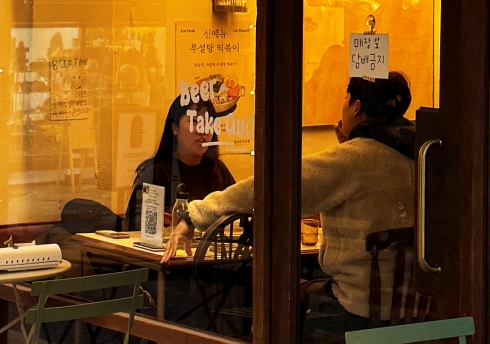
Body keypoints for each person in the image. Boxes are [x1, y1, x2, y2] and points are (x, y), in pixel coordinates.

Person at [172, 72, 416, 325]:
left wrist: (195, 214)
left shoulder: (353, 160)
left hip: (358, 307)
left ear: (356, 106)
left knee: (274, 292)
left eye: (345, 99)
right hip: (412, 309)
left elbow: (271, 185)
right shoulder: (418, 153)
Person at [124, 97, 234, 230]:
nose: (202, 129)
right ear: (174, 128)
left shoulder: (217, 169)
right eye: (194, 121)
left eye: (208, 122)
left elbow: (237, 210)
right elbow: (135, 223)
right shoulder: (156, 172)